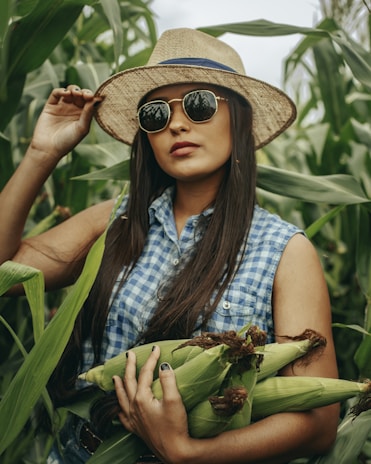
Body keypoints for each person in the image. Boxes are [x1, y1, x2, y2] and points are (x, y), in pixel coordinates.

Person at [0, 28, 339, 463]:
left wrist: (189, 453)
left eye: (199, 105)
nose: (176, 123)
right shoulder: (115, 222)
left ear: (240, 121)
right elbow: (7, 274)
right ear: (148, 137)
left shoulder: (283, 251)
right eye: (157, 115)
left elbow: (318, 421)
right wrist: (41, 153)